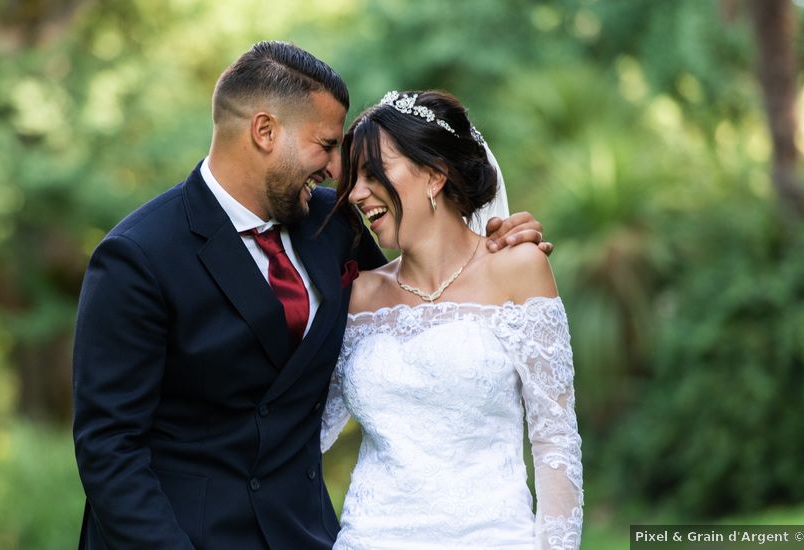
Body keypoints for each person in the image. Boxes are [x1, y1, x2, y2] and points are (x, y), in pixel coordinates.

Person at [72, 42, 550, 549]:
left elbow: (425, 299)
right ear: (265, 132)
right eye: (325, 144)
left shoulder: (333, 225)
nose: (335, 169)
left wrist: (496, 244)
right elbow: (110, 447)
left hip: (307, 534)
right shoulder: (137, 255)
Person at [321, 90, 583, 549]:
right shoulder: (358, 294)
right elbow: (307, 429)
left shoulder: (519, 270)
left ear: (434, 175)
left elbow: (555, 441)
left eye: (373, 172)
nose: (356, 193)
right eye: (354, 177)